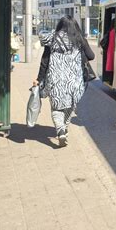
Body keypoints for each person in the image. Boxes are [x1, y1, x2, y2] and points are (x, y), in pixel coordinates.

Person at [38, 15, 94, 147]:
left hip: (55, 80)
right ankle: (64, 128)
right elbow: (91, 56)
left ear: (60, 26)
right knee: (70, 105)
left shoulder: (52, 39)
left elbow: (44, 61)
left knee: (56, 106)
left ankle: (60, 129)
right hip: (74, 81)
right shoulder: (80, 40)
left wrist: (38, 79)